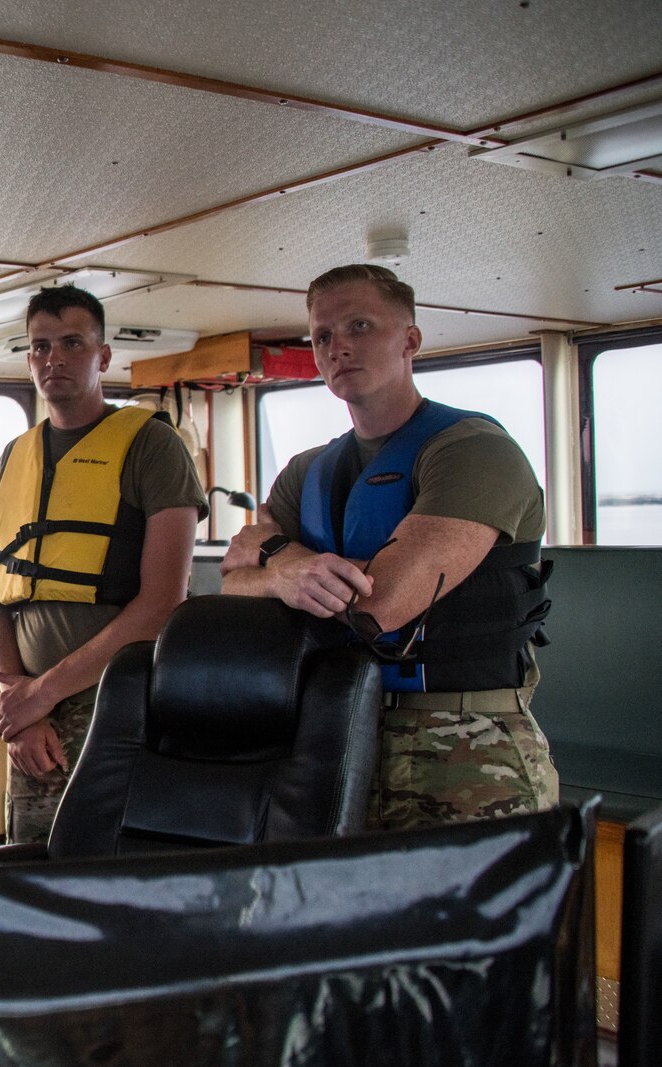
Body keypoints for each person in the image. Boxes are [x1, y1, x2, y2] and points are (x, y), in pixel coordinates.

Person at [221, 264, 556, 830]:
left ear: (411, 341)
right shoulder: (306, 472)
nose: (338, 347)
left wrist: (279, 559)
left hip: (464, 750)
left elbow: (385, 602)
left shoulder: (473, 450)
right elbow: (233, 585)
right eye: (323, 336)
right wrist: (286, 571)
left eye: (359, 326)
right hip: (331, 738)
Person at [0, 285, 205, 845]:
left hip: (119, 705)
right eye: (39, 346)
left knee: (114, 873)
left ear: (103, 356)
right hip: (32, 716)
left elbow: (161, 605)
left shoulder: (154, 446)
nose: (53, 359)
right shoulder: (14, 455)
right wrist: (22, 702)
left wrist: (42, 693)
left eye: (72, 343)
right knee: (32, 874)